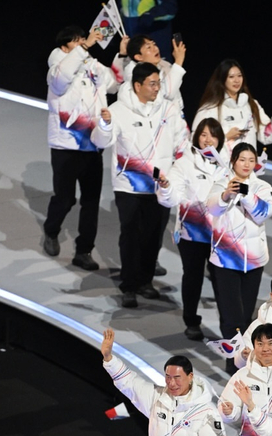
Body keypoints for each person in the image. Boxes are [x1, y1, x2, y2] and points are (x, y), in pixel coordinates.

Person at [91, 62, 188, 308]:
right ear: (137, 85)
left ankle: (145, 281)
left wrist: (180, 170)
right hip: (129, 186)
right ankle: (129, 286)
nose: (157, 88)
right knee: (131, 236)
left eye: (159, 83)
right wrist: (104, 125)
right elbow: (101, 142)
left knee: (153, 237)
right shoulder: (118, 110)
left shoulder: (168, 109)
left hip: (160, 186)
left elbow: (182, 140)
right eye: (152, 84)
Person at [43, 25, 119, 269]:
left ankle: (84, 251)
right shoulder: (56, 68)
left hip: (92, 144)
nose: (82, 44)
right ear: (64, 47)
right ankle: (51, 230)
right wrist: (84, 47)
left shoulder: (92, 66)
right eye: (76, 41)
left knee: (91, 202)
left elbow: (114, 84)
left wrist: (123, 54)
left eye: (82, 40)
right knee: (65, 199)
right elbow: (62, 79)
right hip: (65, 145)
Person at [157, 117, 227, 340]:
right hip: (192, 233)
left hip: (220, 235)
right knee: (193, 277)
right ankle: (191, 321)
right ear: (196, 137)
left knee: (221, 280)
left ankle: (228, 327)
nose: (208, 140)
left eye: (213, 135)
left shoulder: (227, 164)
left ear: (220, 139)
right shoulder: (184, 164)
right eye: (203, 135)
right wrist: (166, 188)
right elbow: (171, 197)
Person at [208, 142, 272, 344]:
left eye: (251, 160)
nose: (247, 164)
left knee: (247, 315)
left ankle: (242, 354)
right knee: (232, 316)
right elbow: (211, 208)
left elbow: (264, 213)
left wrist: (245, 194)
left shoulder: (263, 187)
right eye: (242, 160)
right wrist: (225, 196)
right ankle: (232, 355)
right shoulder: (222, 183)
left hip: (254, 261)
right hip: (225, 260)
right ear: (233, 161)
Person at [193, 59, 272, 153]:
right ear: (222, 79)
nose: (237, 80)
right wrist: (226, 137)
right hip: (221, 164)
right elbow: (196, 142)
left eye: (239, 76)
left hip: (247, 163)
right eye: (231, 77)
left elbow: (266, 136)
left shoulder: (252, 104)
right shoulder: (210, 108)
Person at [112, 33, 186, 109]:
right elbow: (167, 94)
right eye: (148, 47)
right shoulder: (135, 74)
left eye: (154, 44)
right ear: (139, 57)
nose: (155, 48)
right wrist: (178, 61)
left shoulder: (164, 64)